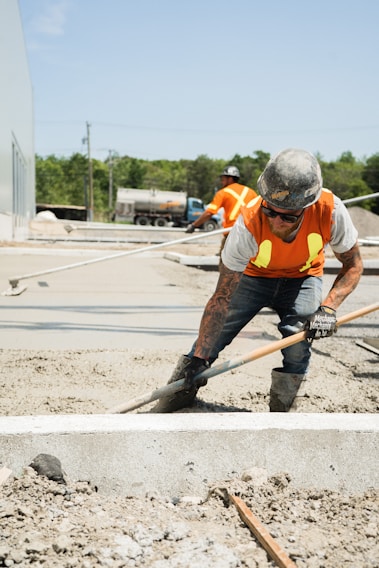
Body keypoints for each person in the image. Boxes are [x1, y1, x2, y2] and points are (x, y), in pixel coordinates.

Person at [153, 148, 363, 413]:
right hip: (253, 278)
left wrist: (329, 308)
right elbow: (220, 299)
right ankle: (176, 398)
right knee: (209, 341)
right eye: (270, 211)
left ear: (307, 207)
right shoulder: (248, 221)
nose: (277, 220)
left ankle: (282, 413)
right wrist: (199, 357)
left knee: (298, 342)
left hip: (303, 278)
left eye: (288, 216)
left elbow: (354, 265)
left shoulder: (330, 210)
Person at [185, 165, 257, 257]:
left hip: (233, 232)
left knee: (227, 266)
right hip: (251, 233)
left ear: (230, 179)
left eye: (223, 179)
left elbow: (209, 212)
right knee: (249, 264)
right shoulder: (251, 192)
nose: (221, 182)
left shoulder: (223, 192)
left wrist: (194, 225)